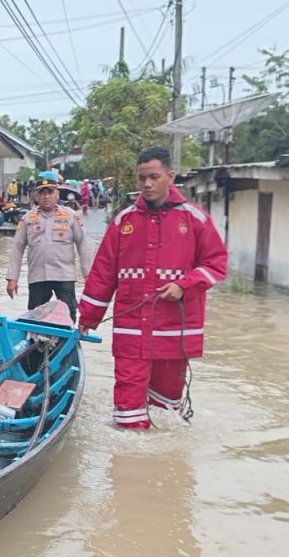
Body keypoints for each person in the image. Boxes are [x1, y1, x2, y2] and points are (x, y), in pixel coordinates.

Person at [77, 147, 227, 429]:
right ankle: (128, 468)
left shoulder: (195, 219)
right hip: (131, 329)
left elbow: (216, 264)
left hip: (174, 329)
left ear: (170, 176)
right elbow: (102, 274)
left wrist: (184, 285)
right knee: (127, 416)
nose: (146, 184)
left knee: (166, 412)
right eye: (141, 178)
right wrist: (87, 317)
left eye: (154, 177)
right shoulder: (124, 222)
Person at [5, 173, 92, 321]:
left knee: (68, 316)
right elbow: (17, 249)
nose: (46, 197)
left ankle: (68, 343)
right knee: (35, 317)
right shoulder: (27, 218)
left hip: (64, 276)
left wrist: (88, 275)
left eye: (50, 192)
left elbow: (83, 245)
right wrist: (12, 278)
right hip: (38, 276)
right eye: (42, 193)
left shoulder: (70, 216)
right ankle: (36, 342)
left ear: (57, 194)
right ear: (36, 196)